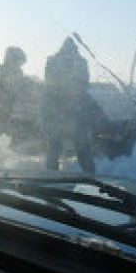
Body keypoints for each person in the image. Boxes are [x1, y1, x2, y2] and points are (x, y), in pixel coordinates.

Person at [42, 37, 96, 173]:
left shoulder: (52, 60)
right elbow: (84, 85)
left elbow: (48, 83)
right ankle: (89, 176)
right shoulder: (80, 62)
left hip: (55, 110)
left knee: (54, 146)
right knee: (82, 146)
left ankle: (50, 176)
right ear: (75, 49)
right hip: (73, 111)